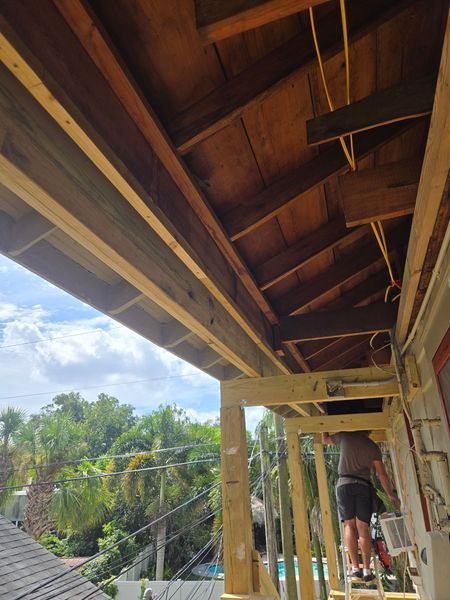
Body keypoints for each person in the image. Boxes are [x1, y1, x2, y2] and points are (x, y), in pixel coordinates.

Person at [322, 430, 400, 583]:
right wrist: (390, 494)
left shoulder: (345, 436)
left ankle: (355, 569)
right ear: (369, 430)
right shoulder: (373, 447)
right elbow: (381, 474)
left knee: (349, 526)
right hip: (364, 486)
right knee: (363, 528)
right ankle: (367, 570)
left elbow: (325, 440)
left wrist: (325, 426)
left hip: (345, 485)